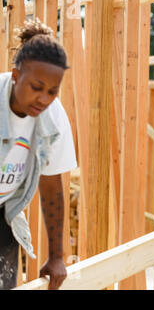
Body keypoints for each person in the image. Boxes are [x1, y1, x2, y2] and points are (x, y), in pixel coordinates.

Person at [0, 18, 77, 290]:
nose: (44, 99)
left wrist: (57, 256)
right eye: (36, 87)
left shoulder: (52, 121)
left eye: (52, 92)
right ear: (16, 76)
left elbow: (51, 185)